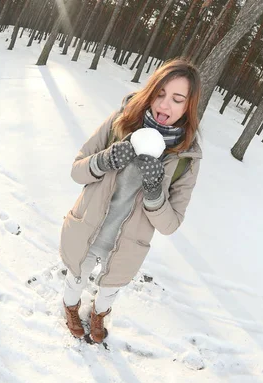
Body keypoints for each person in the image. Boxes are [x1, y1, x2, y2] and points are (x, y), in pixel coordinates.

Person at [59, 59, 202, 343]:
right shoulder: (120, 121)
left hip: (127, 246)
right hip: (87, 227)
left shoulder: (186, 158)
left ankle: (99, 314)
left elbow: (170, 224)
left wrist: (154, 190)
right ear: (150, 91)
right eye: (160, 93)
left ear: (188, 106)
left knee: (110, 289)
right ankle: (71, 306)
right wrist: (106, 159)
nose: (164, 105)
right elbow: (77, 170)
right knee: (76, 276)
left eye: (177, 99)